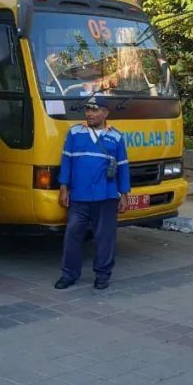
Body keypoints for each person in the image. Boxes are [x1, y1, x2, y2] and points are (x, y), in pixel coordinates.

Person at [55, 94, 130, 290]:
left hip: (106, 196)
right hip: (79, 197)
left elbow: (123, 166)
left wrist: (124, 194)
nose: (89, 114)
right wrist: (63, 187)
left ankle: (103, 275)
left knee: (105, 238)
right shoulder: (74, 133)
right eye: (88, 110)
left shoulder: (116, 137)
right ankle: (69, 274)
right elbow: (66, 161)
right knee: (72, 236)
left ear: (105, 113)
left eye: (94, 110)